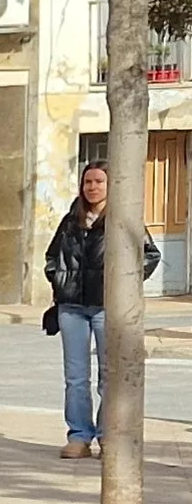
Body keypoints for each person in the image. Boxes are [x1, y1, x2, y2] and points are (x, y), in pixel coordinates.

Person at [45, 160, 160, 459]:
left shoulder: (122, 219)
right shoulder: (71, 220)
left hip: (107, 308)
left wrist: (123, 285)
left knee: (109, 375)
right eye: (88, 182)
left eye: (99, 182)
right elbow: (52, 256)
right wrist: (58, 279)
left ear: (111, 186)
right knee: (75, 376)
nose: (93, 187)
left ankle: (108, 435)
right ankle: (79, 436)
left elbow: (149, 255)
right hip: (71, 307)